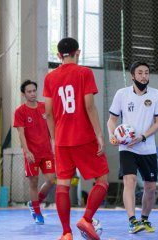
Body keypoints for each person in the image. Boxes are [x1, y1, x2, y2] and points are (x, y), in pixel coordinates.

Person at [43, 37, 109, 240]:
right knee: (102, 180)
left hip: (62, 139)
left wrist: (54, 140)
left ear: (58, 56)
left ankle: (66, 233)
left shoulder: (50, 77)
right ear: (77, 53)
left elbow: (48, 111)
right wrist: (99, 133)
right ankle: (86, 219)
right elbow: (89, 105)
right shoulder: (84, 73)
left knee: (62, 184)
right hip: (83, 136)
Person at [107, 61, 158, 234]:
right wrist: (112, 134)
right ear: (133, 76)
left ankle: (145, 220)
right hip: (127, 148)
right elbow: (112, 119)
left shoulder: (157, 95)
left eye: (147, 73)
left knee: (150, 188)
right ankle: (132, 220)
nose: (144, 76)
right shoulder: (122, 94)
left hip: (147, 148)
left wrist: (142, 137)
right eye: (140, 73)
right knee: (130, 181)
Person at [13, 80, 56, 225]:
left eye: (34, 91)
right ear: (24, 94)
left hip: (47, 152)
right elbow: (21, 133)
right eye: (29, 91)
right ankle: (37, 212)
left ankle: (34, 202)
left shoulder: (45, 108)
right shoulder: (20, 111)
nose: (32, 94)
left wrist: (54, 145)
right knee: (34, 181)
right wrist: (27, 151)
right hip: (32, 153)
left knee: (51, 179)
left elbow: (53, 128)